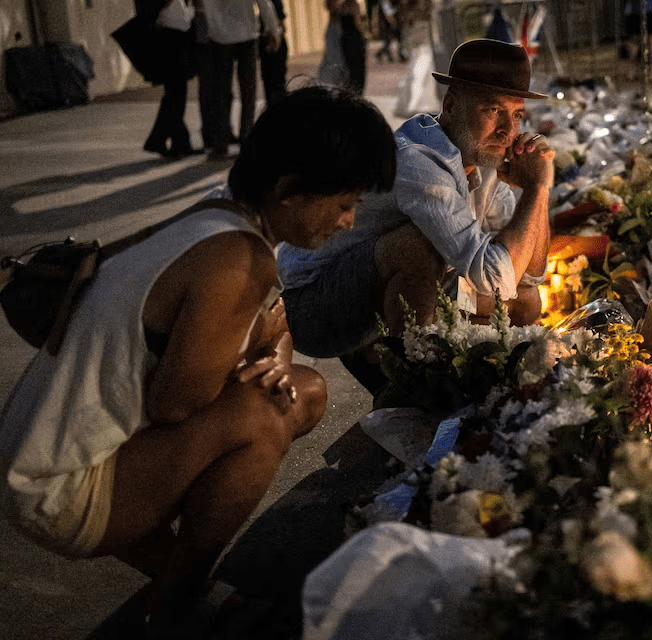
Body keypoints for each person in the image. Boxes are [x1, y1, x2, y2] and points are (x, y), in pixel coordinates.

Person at [0, 87, 397, 638]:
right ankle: (181, 600)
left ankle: (172, 562)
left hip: (35, 445)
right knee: (260, 418)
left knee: (301, 390)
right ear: (289, 191)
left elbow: (271, 333)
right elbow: (176, 405)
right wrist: (260, 344)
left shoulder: (224, 213)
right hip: (53, 483)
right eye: (343, 202)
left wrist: (268, 350)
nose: (350, 221)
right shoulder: (238, 260)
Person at [278, 39, 553, 392]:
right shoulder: (420, 160)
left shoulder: (483, 157)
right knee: (418, 246)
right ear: (451, 104)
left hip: (376, 288)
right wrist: (537, 189)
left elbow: (530, 275)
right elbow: (496, 278)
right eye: (492, 110)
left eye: (516, 116)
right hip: (312, 305)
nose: (507, 130)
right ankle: (415, 391)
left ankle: (426, 368)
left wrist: (538, 191)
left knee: (526, 305)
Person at [195, 0, 282, 160]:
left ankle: (220, 142)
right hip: (247, 35)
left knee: (220, 92)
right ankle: (246, 137)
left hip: (219, 37)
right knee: (248, 91)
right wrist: (273, 29)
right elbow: (264, 3)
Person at [139, 0, 199, 159]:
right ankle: (165, 141)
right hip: (170, 41)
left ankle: (179, 143)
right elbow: (181, 21)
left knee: (174, 97)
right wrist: (193, 8)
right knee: (176, 97)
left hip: (173, 40)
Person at [318, 0, 367, 95]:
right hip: (346, 37)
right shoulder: (347, 8)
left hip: (347, 37)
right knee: (349, 72)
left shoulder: (351, 5)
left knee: (351, 72)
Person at [258, 0, 289, 105]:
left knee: (276, 84)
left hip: (274, 43)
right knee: (273, 83)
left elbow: (281, 23)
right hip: (269, 43)